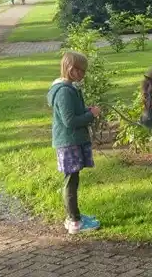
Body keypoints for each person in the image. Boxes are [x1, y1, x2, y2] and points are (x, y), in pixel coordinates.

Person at [47, 51, 102, 234]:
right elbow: (69, 121)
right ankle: (75, 222)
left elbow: (72, 112)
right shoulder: (64, 92)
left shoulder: (68, 88)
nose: (83, 74)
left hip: (71, 141)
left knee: (73, 180)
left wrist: (85, 110)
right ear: (71, 70)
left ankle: (74, 216)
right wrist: (90, 115)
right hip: (68, 142)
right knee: (71, 181)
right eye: (81, 71)